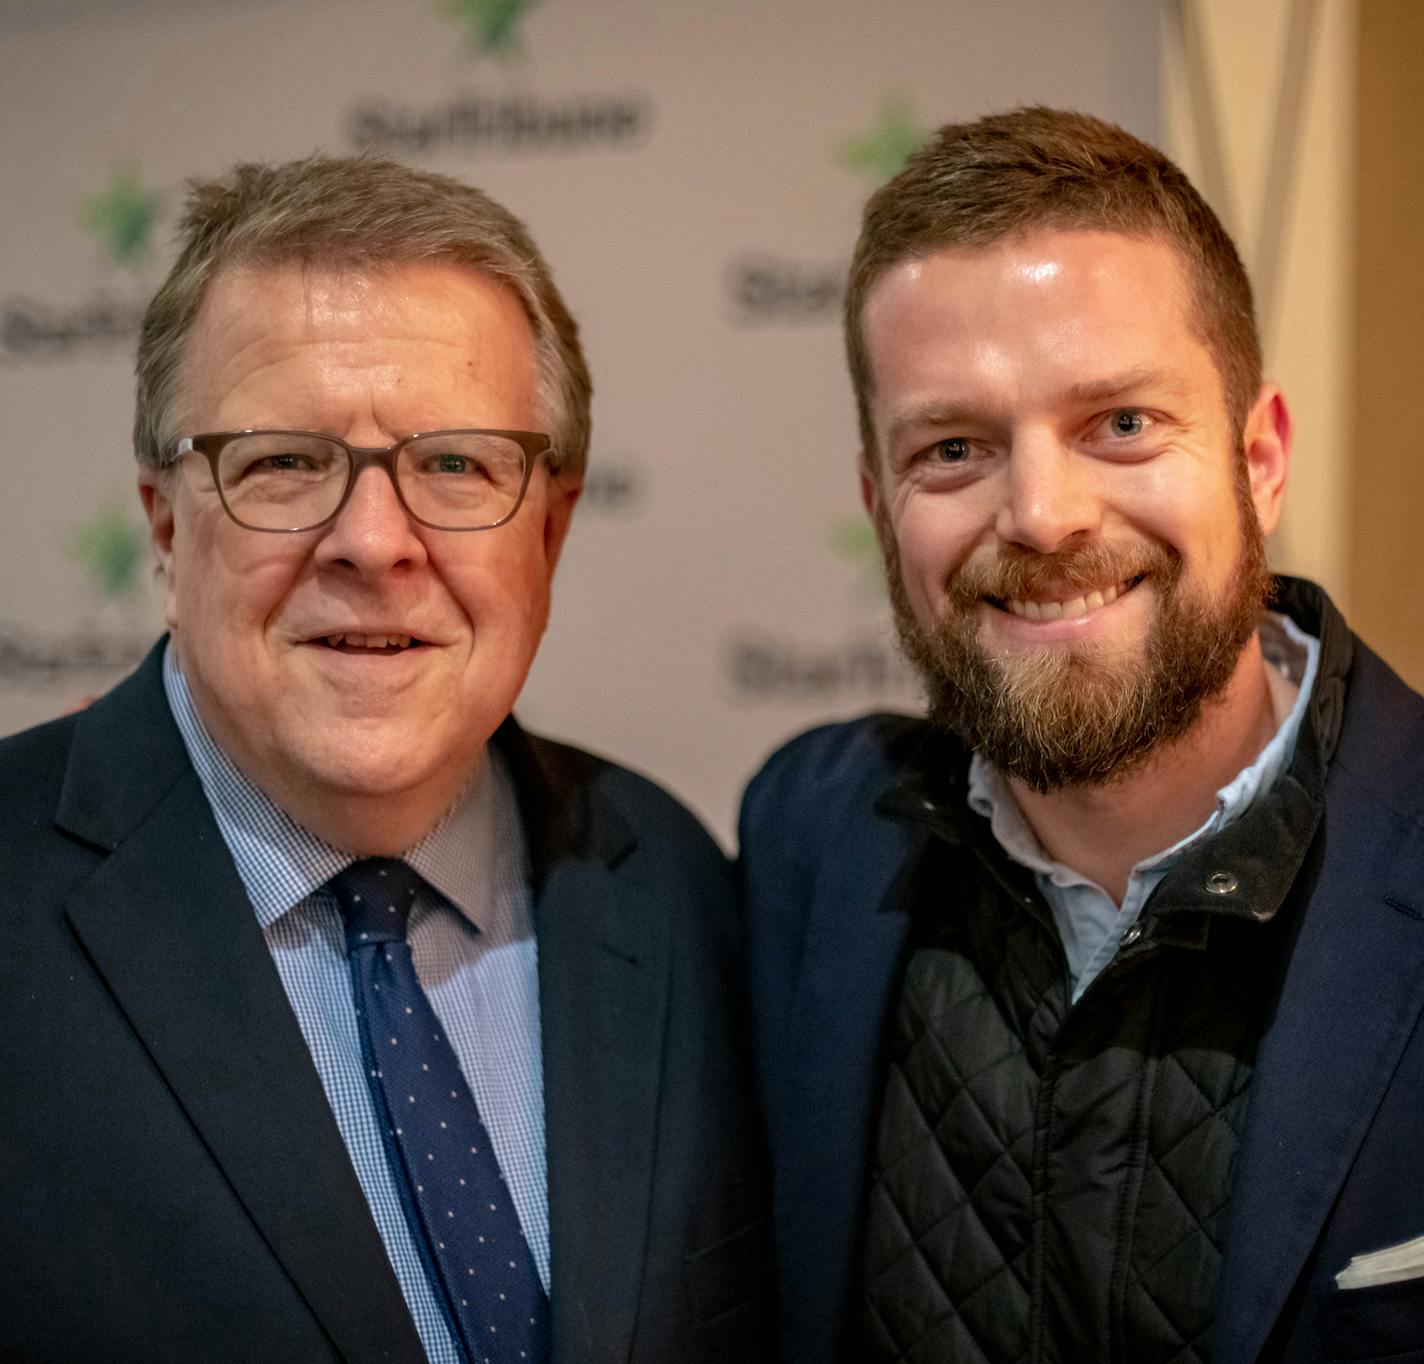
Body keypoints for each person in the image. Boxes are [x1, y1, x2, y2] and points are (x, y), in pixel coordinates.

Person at [0, 155, 771, 1363]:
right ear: (164, 521)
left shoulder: (674, 885)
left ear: (552, 528)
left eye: (457, 463)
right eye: (283, 462)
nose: (373, 541)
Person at [740, 107, 1424, 1364]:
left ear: (1256, 455)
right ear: (878, 503)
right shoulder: (808, 839)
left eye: (1118, 423)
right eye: (952, 447)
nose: (1042, 515)